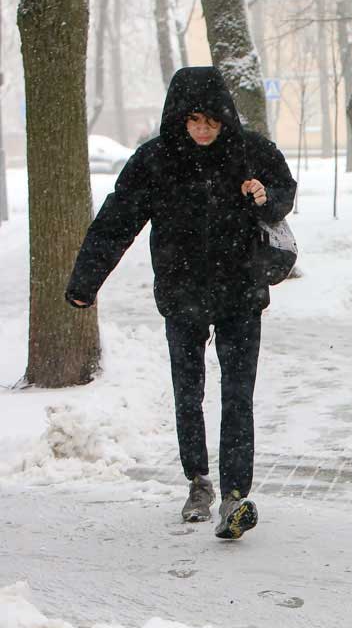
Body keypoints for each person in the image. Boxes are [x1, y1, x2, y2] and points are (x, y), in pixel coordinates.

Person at [66, 66, 296, 540]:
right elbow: (116, 221)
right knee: (188, 395)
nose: (203, 129)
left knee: (237, 395)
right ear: (178, 118)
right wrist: (86, 281)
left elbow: (283, 198)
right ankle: (199, 482)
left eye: (211, 120)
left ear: (225, 117)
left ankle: (235, 493)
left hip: (240, 291)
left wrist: (264, 195)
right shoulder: (156, 159)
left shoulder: (252, 152)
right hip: (181, 292)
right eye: (193, 120)